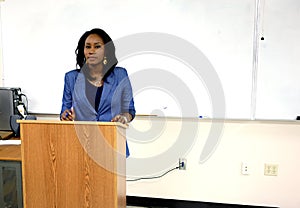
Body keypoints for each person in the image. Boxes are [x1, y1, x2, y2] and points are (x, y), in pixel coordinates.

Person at [60, 28, 135, 157]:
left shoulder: (120, 75)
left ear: (106, 51)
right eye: (87, 47)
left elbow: (130, 110)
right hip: (82, 144)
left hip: (112, 143)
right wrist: (66, 116)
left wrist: (123, 118)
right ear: (83, 51)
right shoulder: (71, 78)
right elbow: (64, 111)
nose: (91, 51)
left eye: (97, 46)